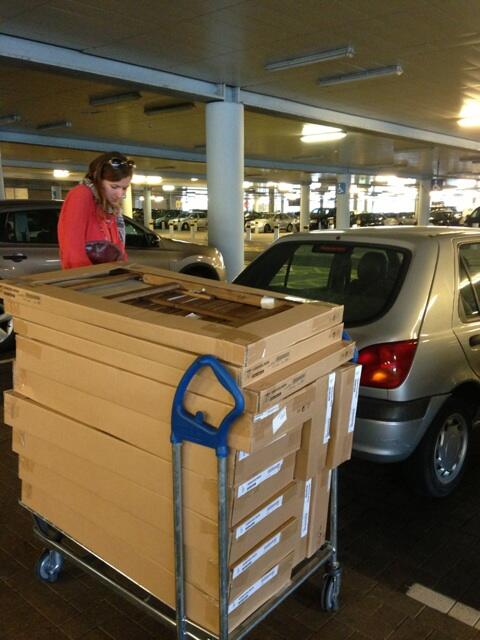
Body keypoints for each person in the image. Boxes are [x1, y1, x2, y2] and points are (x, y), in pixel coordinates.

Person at [57, 151, 135, 269]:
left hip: (103, 274)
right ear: (98, 180)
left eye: (124, 188)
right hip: (87, 276)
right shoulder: (81, 195)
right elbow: (72, 250)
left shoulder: (107, 206)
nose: (120, 194)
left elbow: (118, 248)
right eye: (114, 187)